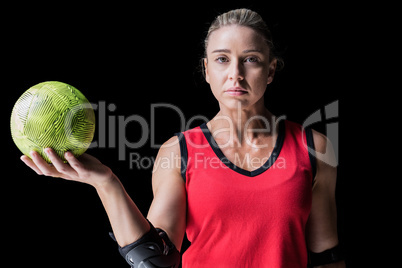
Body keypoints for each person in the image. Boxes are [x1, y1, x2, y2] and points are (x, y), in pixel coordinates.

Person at [20, 8, 345, 268]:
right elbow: (156, 259)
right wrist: (106, 182)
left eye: (251, 59)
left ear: (270, 71)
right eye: (222, 59)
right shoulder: (180, 151)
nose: (236, 73)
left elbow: (325, 257)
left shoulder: (313, 148)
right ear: (206, 71)